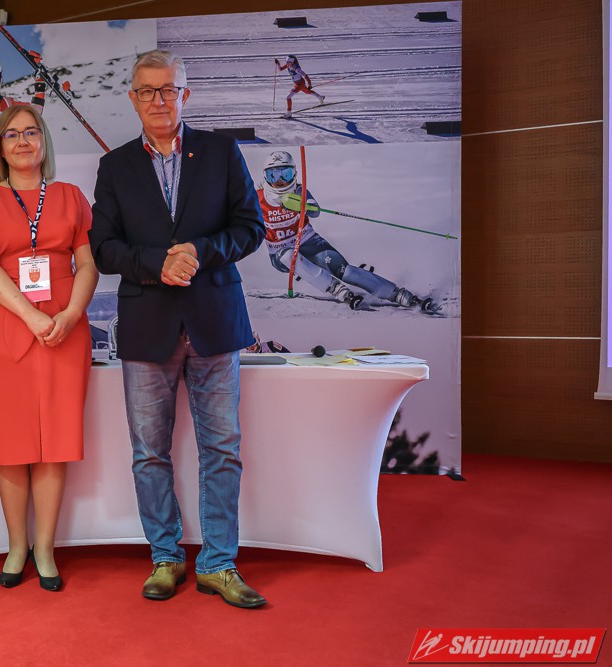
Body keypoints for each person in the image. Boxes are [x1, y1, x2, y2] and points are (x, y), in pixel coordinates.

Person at [89, 49, 268, 608]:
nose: (159, 100)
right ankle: (165, 558)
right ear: (133, 98)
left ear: (185, 94)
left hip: (214, 322)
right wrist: (156, 264)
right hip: (148, 328)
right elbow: (104, 248)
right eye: (147, 91)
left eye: (168, 89)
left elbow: (251, 227)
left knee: (222, 450)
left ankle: (218, 564)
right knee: (149, 452)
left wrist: (199, 251)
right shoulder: (115, 166)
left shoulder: (220, 152)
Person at [0, 104, 97, 591]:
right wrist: (32, 315)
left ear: (44, 140)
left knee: (54, 444)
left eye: (31, 132)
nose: (22, 142)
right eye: (11, 134)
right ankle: (16, 546)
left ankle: (45, 548)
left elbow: (87, 265)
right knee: (12, 443)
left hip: (65, 326)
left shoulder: (70, 196)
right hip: (6, 325)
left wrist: (70, 314)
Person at [257, 150, 438, 312]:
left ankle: (400, 295)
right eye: (273, 176)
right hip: (279, 251)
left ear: (294, 173)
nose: (280, 182)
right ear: (265, 177)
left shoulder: (300, 191)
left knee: (348, 272)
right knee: (289, 256)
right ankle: (337, 289)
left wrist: (301, 205)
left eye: (285, 174)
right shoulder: (257, 197)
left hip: (309, 241)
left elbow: (315, 211)